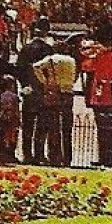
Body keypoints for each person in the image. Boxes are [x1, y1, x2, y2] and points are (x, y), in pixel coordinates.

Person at [79, 20, 112, 168]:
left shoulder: (96, 57)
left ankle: (104, 156)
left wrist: (91, 50)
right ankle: (111, 157)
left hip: (100, 95)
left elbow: (85, 67)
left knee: (102, 129)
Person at [31, 35, 80, 167]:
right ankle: (67, 157)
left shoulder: (51, 59)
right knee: (66, 126)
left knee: (53, 125)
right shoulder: (71, 60)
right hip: (68, 92)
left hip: (55, 91)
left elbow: (36, 67)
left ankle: (55, 156)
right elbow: (75, 76)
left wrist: (45, 81)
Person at [14, 20, 56, 165]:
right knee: (42, 125)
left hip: (29, 89)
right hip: (42, 89)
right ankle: (39, 153)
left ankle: (27, 154)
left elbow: (19, 69)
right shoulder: (48, 49)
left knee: (27, 124)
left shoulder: (25, 48)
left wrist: (24, 85)